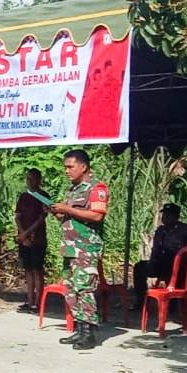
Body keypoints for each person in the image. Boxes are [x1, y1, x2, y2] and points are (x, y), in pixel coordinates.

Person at [49, 148, 109, 350]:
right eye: (65, 167)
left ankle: (89, 332)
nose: (67, 171)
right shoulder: (74, 190)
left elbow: (97, 215)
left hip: (86, 248)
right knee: (71, 289)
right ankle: (79, 329)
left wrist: (67, 209)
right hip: (70, 248)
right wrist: (59, 213)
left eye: (70, 167)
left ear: (83, 167)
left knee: (85, 288)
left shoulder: (96, 188)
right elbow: (75, 215)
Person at [131, 203, 187, 310]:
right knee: (139, 267)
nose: (165, 217)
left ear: (176, 216)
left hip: (178, 265)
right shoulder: (160, 230)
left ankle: (172, 303)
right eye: (164, 215)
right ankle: (140, 300)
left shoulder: (186, 230)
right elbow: (155, 249)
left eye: (168, 215)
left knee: (173, 266)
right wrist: (152, 262)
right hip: (159, 262)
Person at [14, 168, 50, 314]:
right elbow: (17, 216)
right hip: (24, 238)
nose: (29, 181)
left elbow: (42, 218)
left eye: (32, 178)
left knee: (37, 269)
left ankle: (38, 302)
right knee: (28, 269)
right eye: (27, 178)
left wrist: (28, 233)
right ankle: (29, 301)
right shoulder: (23, 196)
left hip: (38, 238)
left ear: (39, 180)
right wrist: (22, 234)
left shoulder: (43, 196)